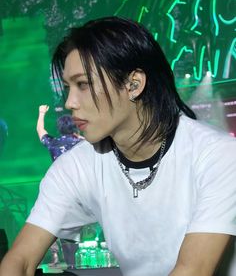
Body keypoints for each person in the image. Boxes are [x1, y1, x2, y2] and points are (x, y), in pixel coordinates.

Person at [1, 16, 236, 276]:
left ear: (133, 84)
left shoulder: (219, 155)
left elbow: (193, 270)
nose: (70, 102)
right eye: (68, 87)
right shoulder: (75, 166)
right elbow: (19, 260)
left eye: (83, 85)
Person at [36, 105, 84, 268]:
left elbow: (40, 130)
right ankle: (77, 260)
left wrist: (41, 113)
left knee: (60, 225)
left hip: (61, 191)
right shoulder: (82, 143)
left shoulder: (54, 143)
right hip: (82, 189)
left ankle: (67, 261)